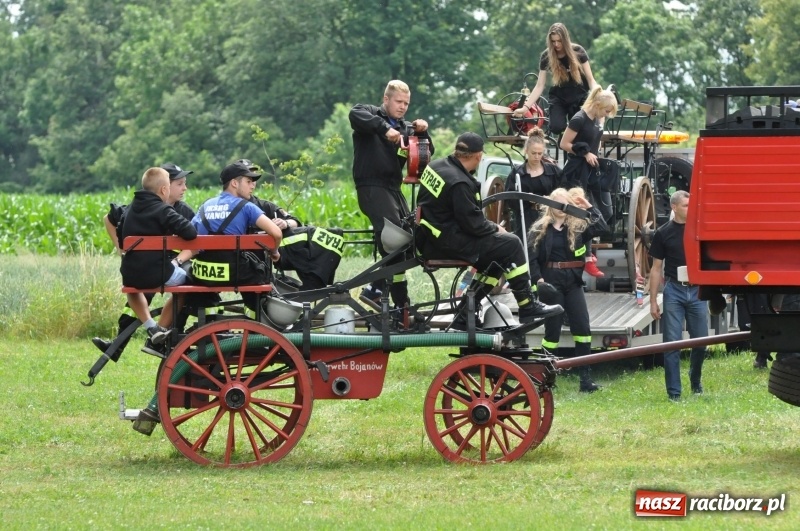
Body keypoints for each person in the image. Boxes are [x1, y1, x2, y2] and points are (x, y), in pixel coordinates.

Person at [415, 132, 562, 328]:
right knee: (512, 244)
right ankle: (527, 305)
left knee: (498, 253)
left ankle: (465, 312)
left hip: (431, 236)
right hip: (445, 242)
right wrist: (496, 228)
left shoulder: (437, 166)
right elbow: (474, 225)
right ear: (478, 156)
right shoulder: (459, 183)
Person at [92, 163, 196, 360]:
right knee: (181, 285)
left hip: (149, 267)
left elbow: (194, 244)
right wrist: (121, 249)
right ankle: (136, 340)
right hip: (156, 268)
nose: (185, 188)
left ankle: (147, 336)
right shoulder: (161, 210)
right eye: (179, 184)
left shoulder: (140, 207)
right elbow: (195, 236)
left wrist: (178, 260)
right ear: (165, 187)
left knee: (136, 289)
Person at [349, 80, 435, 309]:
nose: (403, 107)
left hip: (394, 190)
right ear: (386, 99)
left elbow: (426, 154)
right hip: (372, 187)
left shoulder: (407, 128)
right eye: (399, 101)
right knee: (395, 238)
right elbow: (354, 114)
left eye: (406, 103)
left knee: (408, 239)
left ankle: (387, 296)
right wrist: (385, 129)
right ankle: (390, 298)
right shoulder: (369, 114)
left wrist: (424, 132)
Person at [529, 187, 608, 392]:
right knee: (552, 331)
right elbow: (532, 259)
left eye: (564, 204)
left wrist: (588, 206)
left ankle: (585, 380)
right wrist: (538, 281)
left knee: (583, 329)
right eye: (556, 203)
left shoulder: (578, 227)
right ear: (550, 205)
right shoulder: (539, 229)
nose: (560, 208)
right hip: (551, 281)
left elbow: (601, 226)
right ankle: (546, 379)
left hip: (573, 282)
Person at [189, 160, 283, 313]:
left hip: (204, 274)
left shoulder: (205, 206)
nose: (252, 186)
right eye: (248, 181)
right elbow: (276, 233)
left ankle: (207, 316)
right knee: (262, 274)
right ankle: (257, 317)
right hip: (235, 273)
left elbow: (191, 233)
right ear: (234, 183)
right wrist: (275, 252)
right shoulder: (247, 207)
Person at [649, 190, 707, 401]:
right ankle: (674, 393)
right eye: (685, 205)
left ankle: (695, 381)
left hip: (697, 290)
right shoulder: (663, 233)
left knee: (701, 343)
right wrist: (653, 301)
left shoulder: (700, 229)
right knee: (671, 344)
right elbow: (656, 268)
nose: (690, 209)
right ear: (674, 207)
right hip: (674, 290)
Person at [558, 86, 618, 278]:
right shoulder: (579, 118)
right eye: (606, 111)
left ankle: (587, 250)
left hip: (593, 169)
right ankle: (587, 258)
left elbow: (597, 139)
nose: (607, 115)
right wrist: (585, 153)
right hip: (577, 170)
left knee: (606, 212)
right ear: (598, 105)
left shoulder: (599, 117)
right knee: (586, 213)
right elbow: (564, 144)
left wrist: (596, 153)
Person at [513, 22, 600, 136]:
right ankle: (564, 136)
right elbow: (539, 86)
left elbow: (590, 79)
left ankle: (572, 139)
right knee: (556, 127)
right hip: (559, 96)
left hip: (579, 95)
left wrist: (598, 93)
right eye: (553, 41)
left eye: (559, 41)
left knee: (581, 127)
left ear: (565, 39)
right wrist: (525, 108)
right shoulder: (546, 56)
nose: (556, 44)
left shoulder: (578, 51)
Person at [504, 127, 563, 244]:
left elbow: (564, 191)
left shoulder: (553, 171)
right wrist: (526, 198)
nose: (536, 157)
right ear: (526, 151)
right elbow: (509, 199)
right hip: (526, 219)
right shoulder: (517, 173)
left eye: (540, 153)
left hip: (550, 218)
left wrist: (553, 198)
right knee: (529, 247)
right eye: (533, 153)